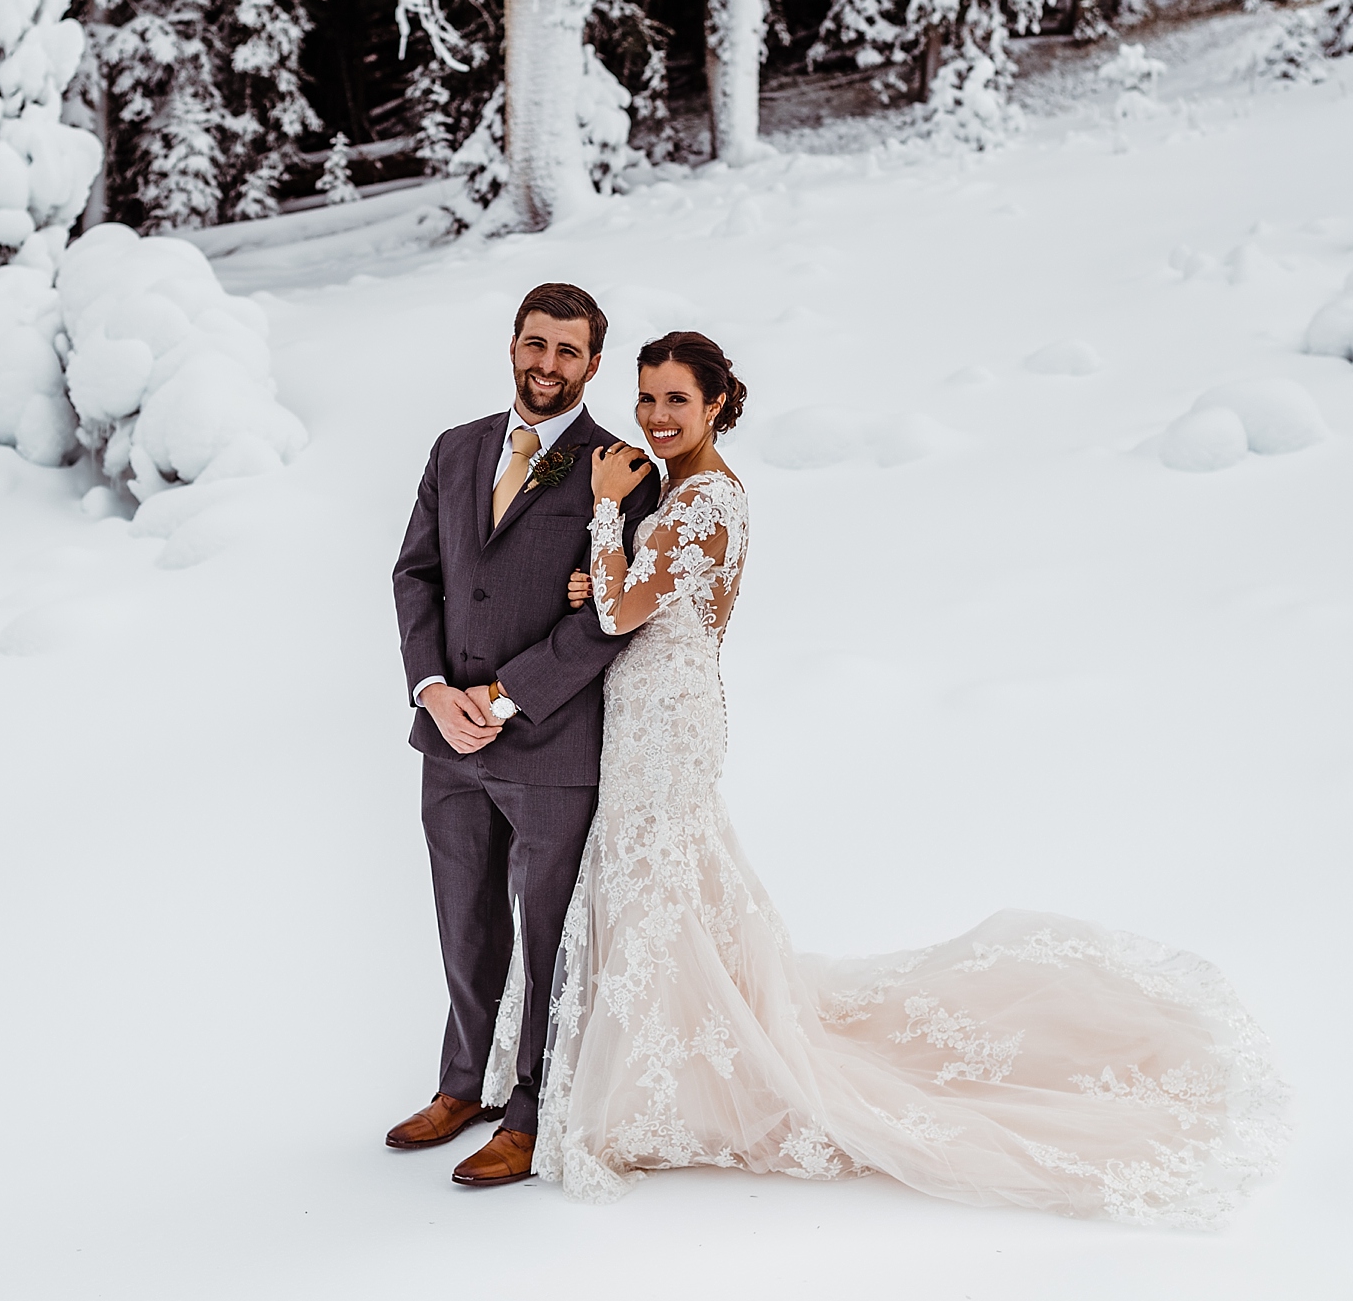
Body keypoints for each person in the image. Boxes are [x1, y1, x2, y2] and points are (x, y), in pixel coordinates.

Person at [532, 331, 1289, 1225]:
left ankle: (667, 1080)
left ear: (716, 406)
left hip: (666, 713)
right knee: (666, 876)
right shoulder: (691, 491)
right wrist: (610, 567)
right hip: (660, 702)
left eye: (676, 403)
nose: (656, 418)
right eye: (647, 398)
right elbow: (639, 598)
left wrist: (604, 515)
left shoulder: (699, 499)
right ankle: (674, 1057)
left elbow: (623, 610)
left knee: (655, 872)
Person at [388, 283, 660, 1187]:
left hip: (548, 744)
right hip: (447, 742)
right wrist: (433, 690)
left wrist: (502, 698)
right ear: (513, 343)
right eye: (535, 344)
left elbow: (613, 615)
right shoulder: (455, 448)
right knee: (462, 924)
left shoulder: (619, 467)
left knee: (548, 938)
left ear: (592, 364)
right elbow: (417, 576)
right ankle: (463, 1083)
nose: (547, 365)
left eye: (568, 353)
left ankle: (534, 1113)